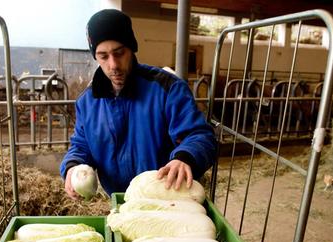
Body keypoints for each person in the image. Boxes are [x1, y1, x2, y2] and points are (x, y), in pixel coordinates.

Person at [60, 9, 216, 199]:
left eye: (119, 53)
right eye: (103, 56)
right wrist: (72, 166)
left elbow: (199, 135)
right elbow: (81, 145)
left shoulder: (167, 89)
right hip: (118, 202)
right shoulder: (87, 102)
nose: (113, 64)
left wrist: (185, 158)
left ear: (131, 48)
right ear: (96, 57)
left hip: (166, 198)